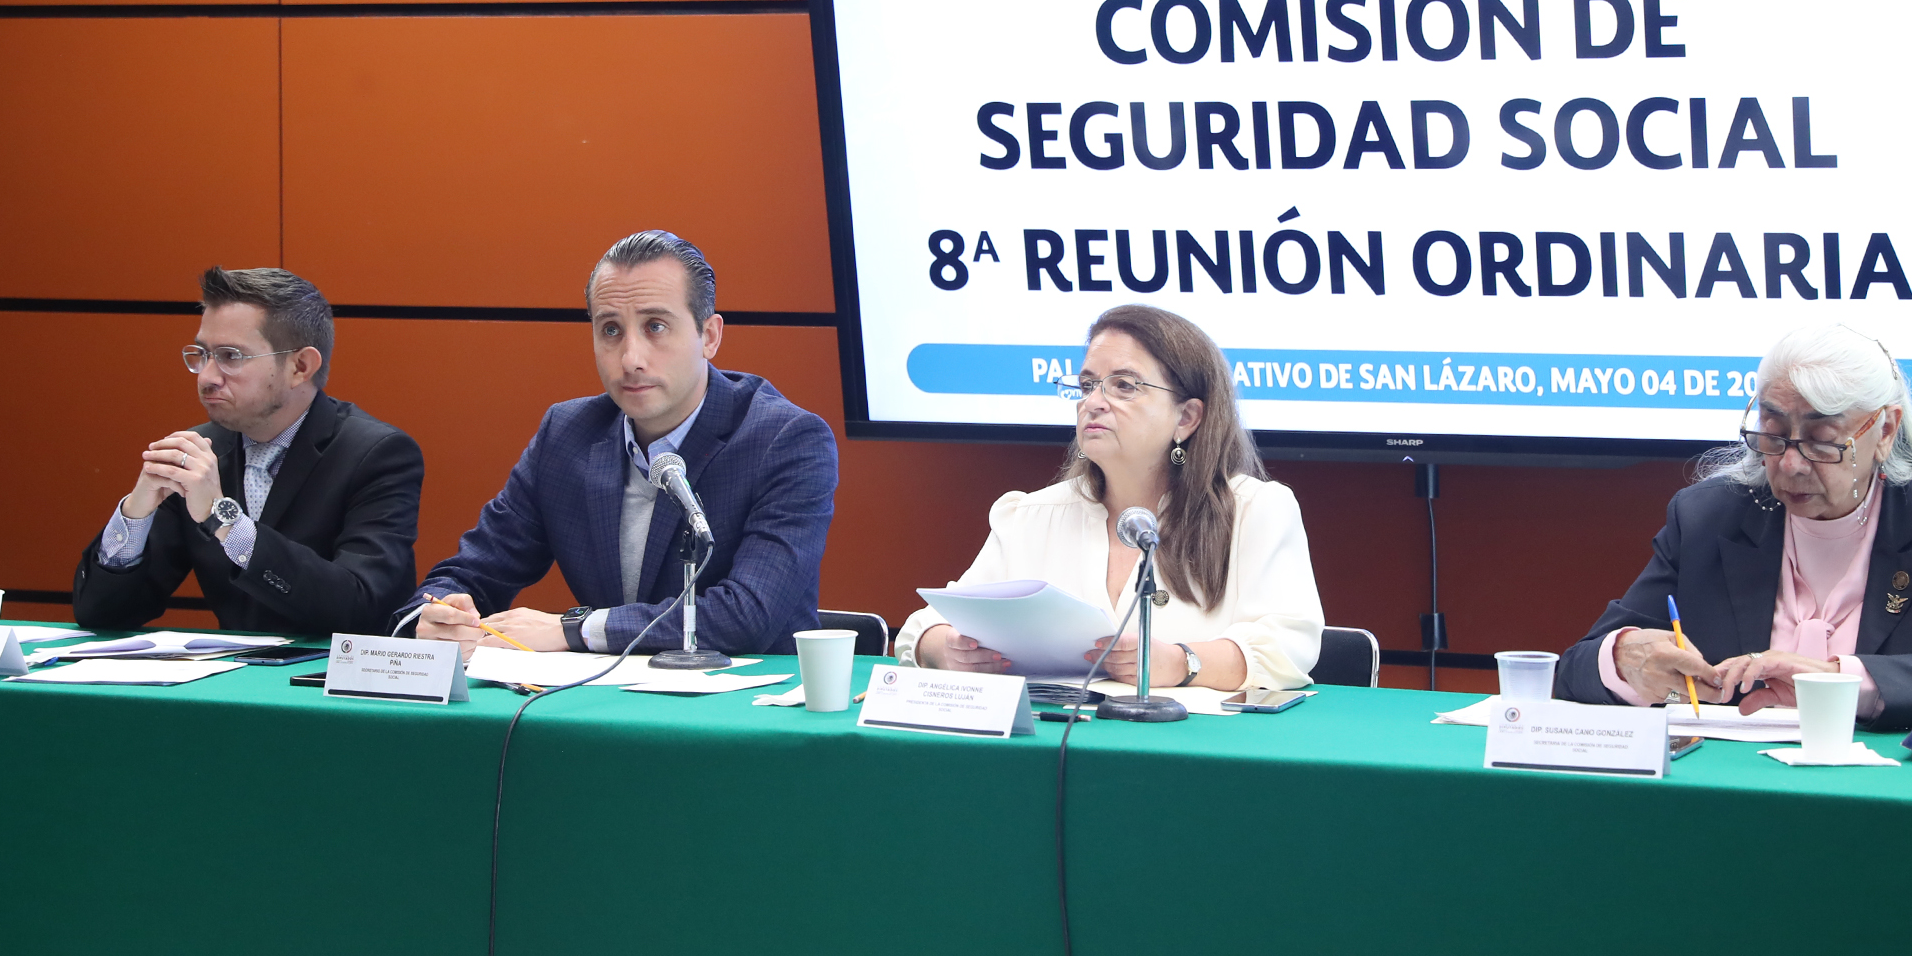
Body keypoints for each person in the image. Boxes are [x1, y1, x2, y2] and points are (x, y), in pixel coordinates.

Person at [1559, 323, 1912, 730]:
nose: (1791, 465)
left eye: (1822, 440)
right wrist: (1622, 658)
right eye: (1774, 435)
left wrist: (1843, 681)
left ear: (1885, 430)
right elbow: (1574, 671)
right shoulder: (1708, 518)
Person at [404, 230, 836, 657]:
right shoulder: (567, 434)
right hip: (603, 696)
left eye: (655, 326)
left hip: (749, 696)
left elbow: (747, 614)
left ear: (709, 336)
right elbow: (471, 572)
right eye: (610, 330)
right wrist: (438, 618)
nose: (631, 359)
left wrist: (575, 629)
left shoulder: (785, 440)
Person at [897, 304, 1322, 692]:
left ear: (1187, 417)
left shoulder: (1255, 511)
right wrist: (946, 650)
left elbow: (1288, 647)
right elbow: (929, 625)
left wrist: (1182, 662)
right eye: (1087, 385)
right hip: (1054, 738)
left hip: (1196, 743)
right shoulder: (1030, 515)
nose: (1093, 403)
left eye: (1123, 386)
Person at [73, 266, 423, 636]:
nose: (207, 377)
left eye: (231, 356)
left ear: (300, 366)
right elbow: (101, 614)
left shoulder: (376, 454)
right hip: (237, 669)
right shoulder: (199, 452)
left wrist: (224, 520)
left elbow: (360, 607)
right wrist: (135, 515)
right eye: (202, 354)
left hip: (339, 670)